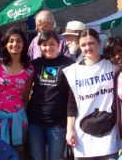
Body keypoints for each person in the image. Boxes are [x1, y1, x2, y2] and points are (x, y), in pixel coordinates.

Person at [63, 28, 122, 160]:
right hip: (83, 136)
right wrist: (69, 130)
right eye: (83, 45)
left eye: (91, 43)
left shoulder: (112, 65)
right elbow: (71, 104)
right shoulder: (73, 72)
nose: (87, 48)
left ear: (99, 43)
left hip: (109, 135)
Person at [0, 27, 34, 160]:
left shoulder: (29, 69)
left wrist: (25, 122)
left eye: (18, 41)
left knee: (16, 156)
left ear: (24, 44)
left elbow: (25, 99)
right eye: (11, 41)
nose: (15, 44)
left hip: (19, 122)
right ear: (5, 44)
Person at [27, 30, 74, 160]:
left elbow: (73, 95)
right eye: (44, 45)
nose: (48, 48)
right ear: (40, 46)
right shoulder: (35, 64)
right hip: (35, 121)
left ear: (59, 44)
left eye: (52, 44)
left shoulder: (68, 64)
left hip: (57, 123)